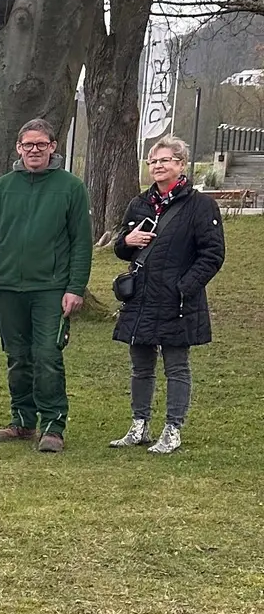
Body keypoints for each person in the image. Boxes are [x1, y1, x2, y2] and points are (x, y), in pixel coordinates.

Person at [0, 118, 92, 453]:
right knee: (17, 356)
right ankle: (22, 421)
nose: (35, 150)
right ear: (19, 148)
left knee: (46, 355)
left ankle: (53, 424)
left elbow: (81, 244)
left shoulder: (70, 187)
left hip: (51, 289)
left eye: (42, 144)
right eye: (28, 144)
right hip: (9, 288)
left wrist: (76, 287)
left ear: (53, 147)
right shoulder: (1, 188)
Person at [108, 136, 226, 454]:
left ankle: (173, 429)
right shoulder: (140, 203)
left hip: (178, 300)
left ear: (180, 164)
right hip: (141, 297)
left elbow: (212, 255)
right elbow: (122, 248)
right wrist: (127, 240)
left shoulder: (200, 206)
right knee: (141, 366)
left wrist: (184, 287)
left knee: (176, 366)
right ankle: (139, 426)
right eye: (153, 161)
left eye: (165, 160)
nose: (158, 166)